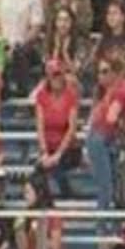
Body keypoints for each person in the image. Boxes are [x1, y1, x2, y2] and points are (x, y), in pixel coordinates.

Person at [86, 58, 125, 240]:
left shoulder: (116, 90)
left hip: (105, 140)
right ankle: (101, 229)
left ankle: (113, 227)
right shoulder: (122, 91)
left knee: (114, 185)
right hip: (100, 140)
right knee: (107, 187)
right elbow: (111, 118)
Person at [32, 59, 80, 198]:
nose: (56, 78)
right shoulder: (41, 96)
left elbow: (71, 129)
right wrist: (44, 152)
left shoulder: (71, 95)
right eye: (53, 75)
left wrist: (57, 154)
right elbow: (40, 126)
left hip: (68, 148)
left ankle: (68, 197)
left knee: (55, 166)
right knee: (40, 170)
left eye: (59, 74)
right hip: (49, 146)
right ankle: (42, 202)